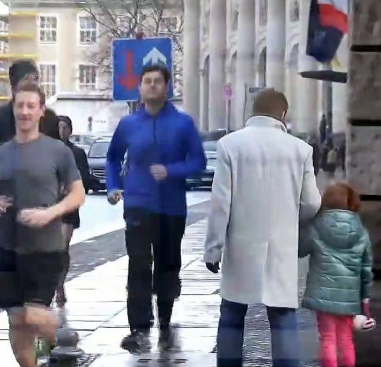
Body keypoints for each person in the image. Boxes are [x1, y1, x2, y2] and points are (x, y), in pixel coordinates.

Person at [203, 88, 322, 367]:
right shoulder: (300, 149)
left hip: (240, 245)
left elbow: (220, 204)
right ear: (283, 114)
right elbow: (312, 203)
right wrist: (293, 221)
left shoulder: (229, 145)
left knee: (232, 313)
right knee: (282, 316)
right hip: (281, 245)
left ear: (252, 112)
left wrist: (213, 250)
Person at [0, 78, 86, 367]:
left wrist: (50, 213)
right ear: (13, 108)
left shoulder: (57, 151)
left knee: (35, 316)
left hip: (46, 248)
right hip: (8, 247)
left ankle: (62, 339)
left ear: (41, 111)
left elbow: (78, 194)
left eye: (30, 106)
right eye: (20, 105)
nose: (24, 111)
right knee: (16, 320)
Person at [106, 64, 206, 353]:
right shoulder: (128, 125)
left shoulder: (183, 123)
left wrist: (171, 171)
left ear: (167, 89)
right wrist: (113, 187)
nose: (151, 86)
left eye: (157, 82)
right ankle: (138, 327)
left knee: (167, 264)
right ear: (139, 88)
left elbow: (198, 162)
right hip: (137, 204)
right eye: (147, 81)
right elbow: (113, 158)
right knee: (138, 265)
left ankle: (165, 319)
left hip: (171, 207)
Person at [299, 182, 373, 367]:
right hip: (349, 295)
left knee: (328, 338)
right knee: (346, 339)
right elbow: (366, 267)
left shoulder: (316, 226)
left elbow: (300, 250)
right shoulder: (360, 231)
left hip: (322, 294)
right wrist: (364, 297)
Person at [0, 59, 60, 169]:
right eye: (27, 82)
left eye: (35, 80)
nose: (33, 86)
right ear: (13, 87)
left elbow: (61, 159)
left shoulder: (50, 119)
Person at [55, 115, 91, 306]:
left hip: (68, 206)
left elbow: (83, 176)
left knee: (62, 247)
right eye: (58, 127)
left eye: (65, 127)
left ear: (70, 130)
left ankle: (60, 284)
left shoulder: (76, 153)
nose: (61, 131)